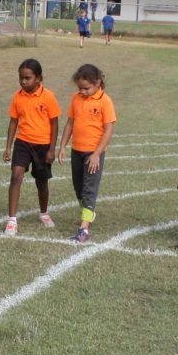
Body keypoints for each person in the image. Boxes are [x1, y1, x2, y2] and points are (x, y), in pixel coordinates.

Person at [59, 63, 117, 244]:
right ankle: (88, 214)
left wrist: (96, 154)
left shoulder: (104, 101)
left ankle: (84, 227)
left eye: (86, 88)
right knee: (78, 187)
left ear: (98, 83)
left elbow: (108, 130)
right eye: (80, 88)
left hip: (94, 153)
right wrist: (62, 146)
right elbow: (70, 123)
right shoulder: (76, 99)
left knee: (89, 189)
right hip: (77, 151)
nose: (83, 92)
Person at [2, 58, 61, 234]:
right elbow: (13, 122)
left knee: (41, 181)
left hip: (43, 145)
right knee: (16, 175)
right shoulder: (17, 96)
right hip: (23, 143)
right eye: (21, 78)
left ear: (38, 78)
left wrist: (52, 149)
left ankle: (44, 213)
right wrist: (8, 147)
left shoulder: (48, 96)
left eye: (27, 78)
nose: (23, 81)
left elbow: (54, 123)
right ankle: (12, 220)